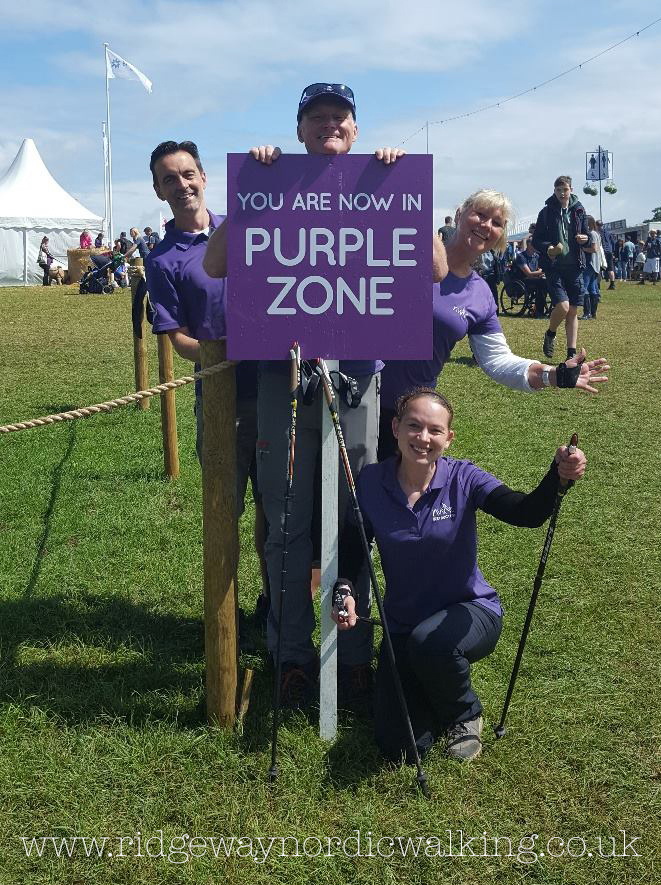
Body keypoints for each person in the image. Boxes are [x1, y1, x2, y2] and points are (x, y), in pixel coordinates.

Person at [203, 82, 448, 709]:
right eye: (317, 117)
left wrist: (407, 195)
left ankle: (354, 653)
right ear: (300, 129)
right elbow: (216, 264)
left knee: (355, 519)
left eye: (340, 117)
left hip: (358, 380)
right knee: (286, 522)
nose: (329, 125)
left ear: (356, 129)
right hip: (283, 379)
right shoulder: (271, 184)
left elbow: (436, 270)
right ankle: (291, 656)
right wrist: (247, 193)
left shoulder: (379, 183)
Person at [332, 388, 586, 762]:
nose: (423, 437)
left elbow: (525, 512)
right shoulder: (371, 482)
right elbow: (354, 550)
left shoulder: (464, 477)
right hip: (403, 623)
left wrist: (558, 475)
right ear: (396, 428)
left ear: (448, 438)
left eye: (435, 430)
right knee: (400, 746)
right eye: (414, 426)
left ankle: (465, 713)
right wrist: (345, 589)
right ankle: (433, 688)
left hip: (471, 611)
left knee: (430, 643)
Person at [377, 189, 609, 461]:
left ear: (500, 236)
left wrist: (553, 375)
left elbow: (498, 360)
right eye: (480, 214)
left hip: (407, 415)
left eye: (497, 222)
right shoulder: (405, 248)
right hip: (352, 389)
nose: (486, 225)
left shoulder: (479, 294)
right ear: (460, 214)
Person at [145, 140, 270, 622]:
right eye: (169, 179)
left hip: (276, 391)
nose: (181, 185)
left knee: (276, 508)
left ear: (203, 177)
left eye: (187, 174)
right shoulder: (162, 260)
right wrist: (223, 356)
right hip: (221, 401)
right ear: (158, 191)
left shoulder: (245, 229)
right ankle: (225, 616)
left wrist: (264, 169)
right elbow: (177, 337)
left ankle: (274, 605)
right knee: (224, 509)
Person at [532, 176, 589, 361]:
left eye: (565, 189)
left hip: (575, 266)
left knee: (572, 311)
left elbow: (587, 235)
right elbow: (536, 240)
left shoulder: (579, 210)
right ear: (554, 191)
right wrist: (548, 247)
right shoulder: (546, 212)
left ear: (571, 189)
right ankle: (550, 333)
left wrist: (586, 238)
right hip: (554, 267)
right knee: (563, 307)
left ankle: (571, 353)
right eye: (558, 190)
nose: (562, 193)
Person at [512, 236, 547, 318]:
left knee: (546, 282)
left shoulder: (536, 256)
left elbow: (540, 268)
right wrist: (542, 271)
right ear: (529, 245)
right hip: (522, 281)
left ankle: (541, 309)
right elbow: (529, 273)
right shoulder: (521, 257)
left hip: (533, 279)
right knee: (542, 283)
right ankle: (539, 311)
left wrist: (541, 272)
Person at [581, 215, 601, 319]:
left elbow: (594, 249)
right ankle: (593, 313)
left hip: (590, 263)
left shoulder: (592, 234)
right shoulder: (597, 233)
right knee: (593, 289)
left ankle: (587, 312)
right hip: (595, 264)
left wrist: (583, 249)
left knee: (585, 288)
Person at [596, 221, 616, 290]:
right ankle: (612, 284)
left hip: (601, 252)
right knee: (610, 269)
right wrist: (613, 252)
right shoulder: (608, 233)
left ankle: (598, 286)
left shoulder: (596, 233)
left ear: (596, 225)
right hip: (609, 252)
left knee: (598, 269)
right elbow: (613, 243)